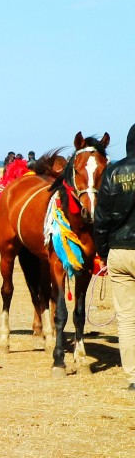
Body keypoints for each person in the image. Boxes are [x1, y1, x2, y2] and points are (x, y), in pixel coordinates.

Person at [94, 125, 135, 391]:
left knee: (127, 318)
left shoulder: (114, 171)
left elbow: (101, 219)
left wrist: (103, 252)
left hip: (120, 252)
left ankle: (133, 377)